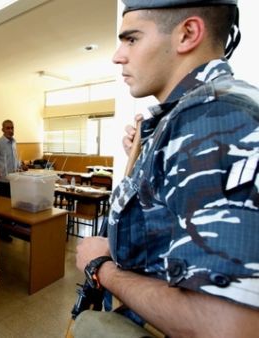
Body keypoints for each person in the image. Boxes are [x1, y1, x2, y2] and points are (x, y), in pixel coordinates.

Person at [74, 1, 259, 337]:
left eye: (131, 39)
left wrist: (102, 266)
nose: (118, 55)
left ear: (187, 34)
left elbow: (227, 325)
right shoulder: (185, 119)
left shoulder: (212, 120)